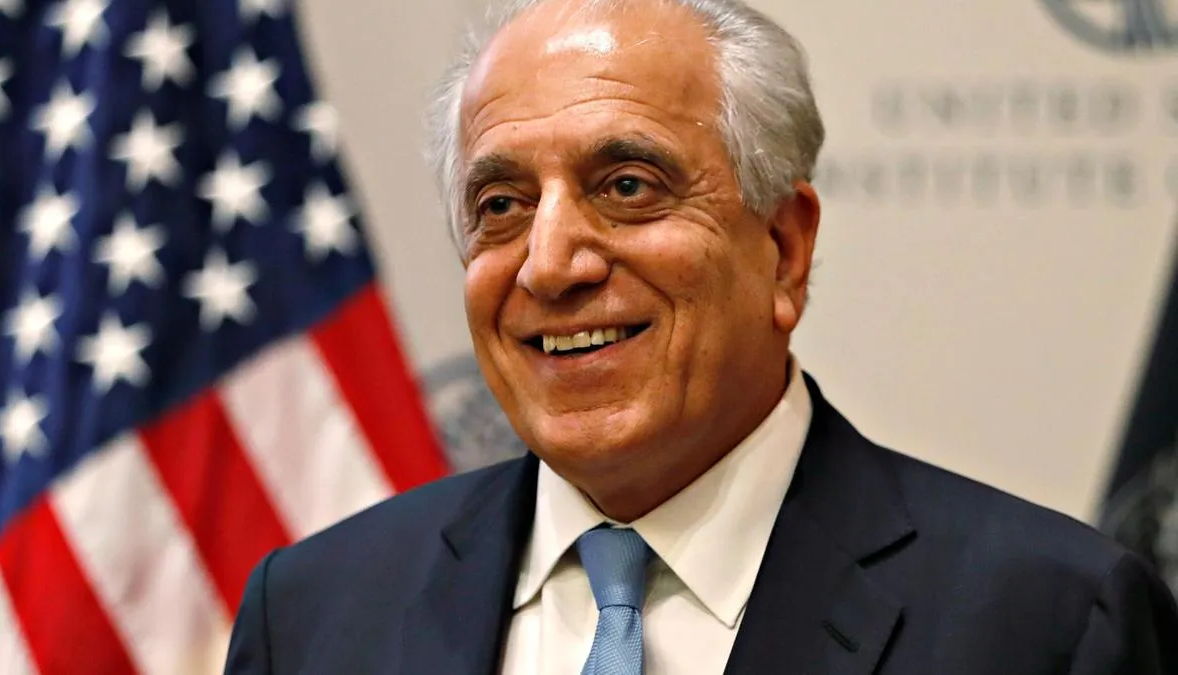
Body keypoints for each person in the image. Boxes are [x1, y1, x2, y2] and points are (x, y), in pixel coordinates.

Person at [223, 0, 1178, 672]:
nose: (549, 264)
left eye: (626, 186)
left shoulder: (1049, 623)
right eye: (502, 204)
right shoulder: (309, 616)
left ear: (783, 247)